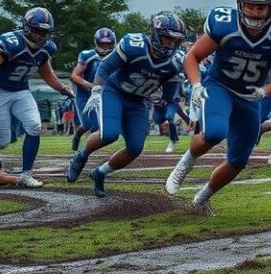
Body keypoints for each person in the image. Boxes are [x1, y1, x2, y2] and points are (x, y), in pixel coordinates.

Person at [165, 0, 271, 215]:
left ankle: (201, 199)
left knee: (238, 161)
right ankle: (184, 164)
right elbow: (192, 56)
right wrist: (196, 85)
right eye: (250, 6)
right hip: (220, 86)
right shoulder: (224, 22)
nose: (255, 12)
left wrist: (265, 90)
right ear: (240, 4)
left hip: (250, 96)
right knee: (214, 132)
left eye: (261, 7)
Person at [66, 13, 186, 197]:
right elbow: (105, 68)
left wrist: (166, 108)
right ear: (155, 34)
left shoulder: (175, 62)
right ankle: (81, 156)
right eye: (167, 38)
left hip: (138, 101)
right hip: (115, 92)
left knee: (135, 148)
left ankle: (99, 173)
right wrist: (97, 89)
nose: (170, 44)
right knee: (109, 134)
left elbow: (169, 94)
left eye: (175, 41)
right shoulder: (133, 45)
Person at [0, 7, 74, 188]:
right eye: (37, 30)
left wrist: (61, 87)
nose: (40, 36)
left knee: (34, 126)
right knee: (3, 142)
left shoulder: (47, 48)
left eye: (44, 32)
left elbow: (46, 72)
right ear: (27, 27)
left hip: (21, 91)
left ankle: (26, 174)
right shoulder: (12, 43)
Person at [69, 28, 117, 152]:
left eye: (108, 44)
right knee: (88, 124)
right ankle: (78, 135)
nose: (105, 48)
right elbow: (74, 75)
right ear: (96, 43)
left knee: (97, 126)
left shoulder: (118, 56)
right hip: (84, 95)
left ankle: (83, 151)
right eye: (102, 44)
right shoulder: (87, 55)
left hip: (103, 94)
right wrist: (89, 85)